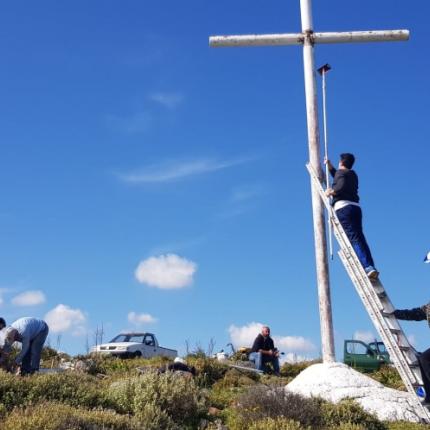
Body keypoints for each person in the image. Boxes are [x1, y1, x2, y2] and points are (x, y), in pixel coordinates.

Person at [325, 153, 378, 279]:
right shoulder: (353, 175)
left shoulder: (341, 174)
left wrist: (332, 191)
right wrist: (330, 167)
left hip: (343, 208)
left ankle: (367, 267)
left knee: (353, 239)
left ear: (341, 162)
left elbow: (340, 184)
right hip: (355, 207)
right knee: (360, 237)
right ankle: (370, 265)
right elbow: (339, 177)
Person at [392, 304, 430, 403]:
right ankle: (429, 396)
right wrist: (396, 314)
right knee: (423, 359)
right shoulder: (428, 308)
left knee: (425, 358)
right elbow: (415, 314)